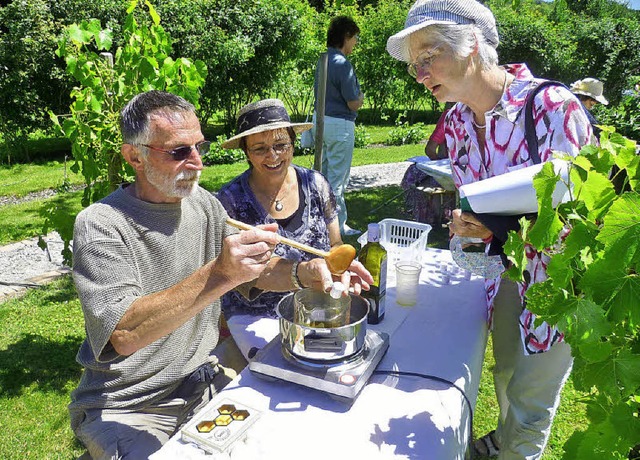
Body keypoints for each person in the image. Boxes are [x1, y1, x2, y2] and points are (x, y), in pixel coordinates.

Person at [68, 90, 372, 459]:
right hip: (132, 404)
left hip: (203, 379)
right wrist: (221, 274)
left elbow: (255, 272)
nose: (197, 163)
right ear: (134, 156)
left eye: (200, 147)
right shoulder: (102, 224)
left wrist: (307, 272)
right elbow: (124, 334)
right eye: (179, 152)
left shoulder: (204, 205)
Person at [387, 1, 594, 459]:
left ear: (472, 45)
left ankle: (517, 449)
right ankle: (504, 438)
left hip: (558, 284)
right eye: (413, 64)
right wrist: (467, 229)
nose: (419, 74)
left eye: (428, 56)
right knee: (504, 372)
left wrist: (500, 225)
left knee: (532, 402)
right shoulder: (458, 122)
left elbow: (589, 212)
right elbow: (474, 204)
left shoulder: (551, 107)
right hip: (502, 276)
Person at [218, 98, 352, 360]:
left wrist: (339, 269)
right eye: (260, 148)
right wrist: (302, 273)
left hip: (314, 305)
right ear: (246, 152)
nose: (273, 155)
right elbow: (245, 274)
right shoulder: (230, 202)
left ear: (292, 144)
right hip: (254, 315)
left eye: (281, 145)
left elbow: (335, 245)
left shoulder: (316, 184)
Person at [312, 15, 364, 237]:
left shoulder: (323, 60)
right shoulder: (343, 64)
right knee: (337, 180)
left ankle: (318, 222)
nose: (355, 44)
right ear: (347, 36)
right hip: (340, 125)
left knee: (320, 175)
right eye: (355, 39)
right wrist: (361, 97)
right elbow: (353, 102)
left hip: (321, 122)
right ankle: (337, 228)